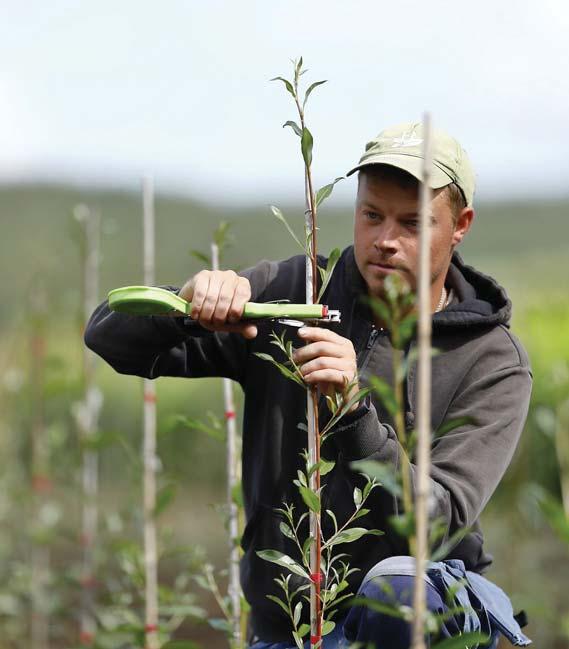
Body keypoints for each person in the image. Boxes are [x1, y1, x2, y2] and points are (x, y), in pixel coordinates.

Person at [84, 122, 532, 648]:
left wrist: (354, 409)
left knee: (397, 592)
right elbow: (108, 337)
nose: (385, 241)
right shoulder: (293, 294)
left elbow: (436, 520)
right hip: (291, 625)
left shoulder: (491, 360)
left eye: (413, 223)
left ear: (460, 225)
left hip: (427, 613)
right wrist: (187, 306)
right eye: (372, 216)